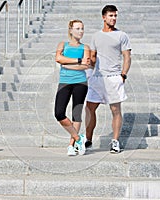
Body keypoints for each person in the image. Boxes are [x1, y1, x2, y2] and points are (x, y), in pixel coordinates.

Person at [85, 5, 132, 153]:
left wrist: (123, 74)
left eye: (115, 16)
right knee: (89, 108)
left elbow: (127, 56)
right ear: (104, 17)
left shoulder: (122, 35)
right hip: (97, 77)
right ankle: (88, 140)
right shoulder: (96, 36)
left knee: (115, 110)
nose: (114, 18)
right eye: (111, 16)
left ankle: (115, 142)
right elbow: (92, 58)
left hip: (113, 77)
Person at [54, 19, 91, 156]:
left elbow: (85, 66)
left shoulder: (85, 47)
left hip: (81, 83)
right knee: (59, 113)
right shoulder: (62, 44)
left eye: (82, 28)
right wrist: (78, 61)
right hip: (65, 82)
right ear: (70, 30)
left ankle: (72, 145)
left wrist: (66, 63)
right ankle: (78, 138)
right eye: (77, 28)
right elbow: (58, 58)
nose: (80, 31)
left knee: (76, 114)